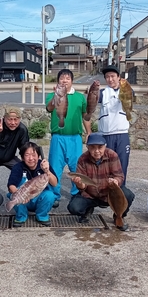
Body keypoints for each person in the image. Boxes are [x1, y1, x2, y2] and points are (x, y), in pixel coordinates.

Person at [67, 133, 135, 231]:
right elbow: (83, 187)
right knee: (73, 207)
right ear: (87, 147)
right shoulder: (82, 159)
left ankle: (119, 215)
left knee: (128, 195)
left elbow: (119, 176)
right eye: (93, 148)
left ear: (105, 146)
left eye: (100, 147)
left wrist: (115, 181)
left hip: (109, 194)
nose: (97, 151)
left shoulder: (112, 155)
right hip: (90, 194)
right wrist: (79, 184)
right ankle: (88, 210)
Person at [46, 69, 91, 207]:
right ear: (58, 81)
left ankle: (76, 193)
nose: (64, 80)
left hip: (75, 138)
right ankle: (54, 195)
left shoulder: (79, 97)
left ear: (72, 81)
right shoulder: (51, 95)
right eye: (62, 78)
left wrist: (88, 132)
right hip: (58, 137)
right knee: (54, 167)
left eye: (67, 78)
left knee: (76, 167)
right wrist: (55, 96)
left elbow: (85, 116)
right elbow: (49, 108)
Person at [7, 141, 58, 227]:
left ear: (38, 156)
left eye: (34, 155)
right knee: (11, 195)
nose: (31, 158)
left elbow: (54, 183)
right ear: (22, 157)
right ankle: (21, 216)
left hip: (39, 198)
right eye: (27, 155)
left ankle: (42, 216)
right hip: (23, 201)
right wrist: (19, 195)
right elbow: (11, 185)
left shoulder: (44, 165)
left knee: (50, 195)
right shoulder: (18, 167)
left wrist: (47, 171)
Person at [98, 64, 130, 184]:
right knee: (106, 165)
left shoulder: (126, 89)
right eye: (107, 77)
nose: (110, 79)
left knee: (122, 164)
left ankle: (121, 192)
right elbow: (92, 99)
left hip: (122, 134)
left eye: (112, 76)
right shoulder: (103, 92)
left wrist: (125, 87)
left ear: (118, 77)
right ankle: (106, 193)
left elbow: (132, 96)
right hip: (106, 135)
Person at [0, 106, 29, 173]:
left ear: (20, 119)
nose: (13, 123)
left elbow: (24, 148)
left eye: (15, 119)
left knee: (24, 172)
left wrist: (28, 161)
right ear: (4, 119)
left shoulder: (22, 129)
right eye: (10, 119)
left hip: (10, 158)